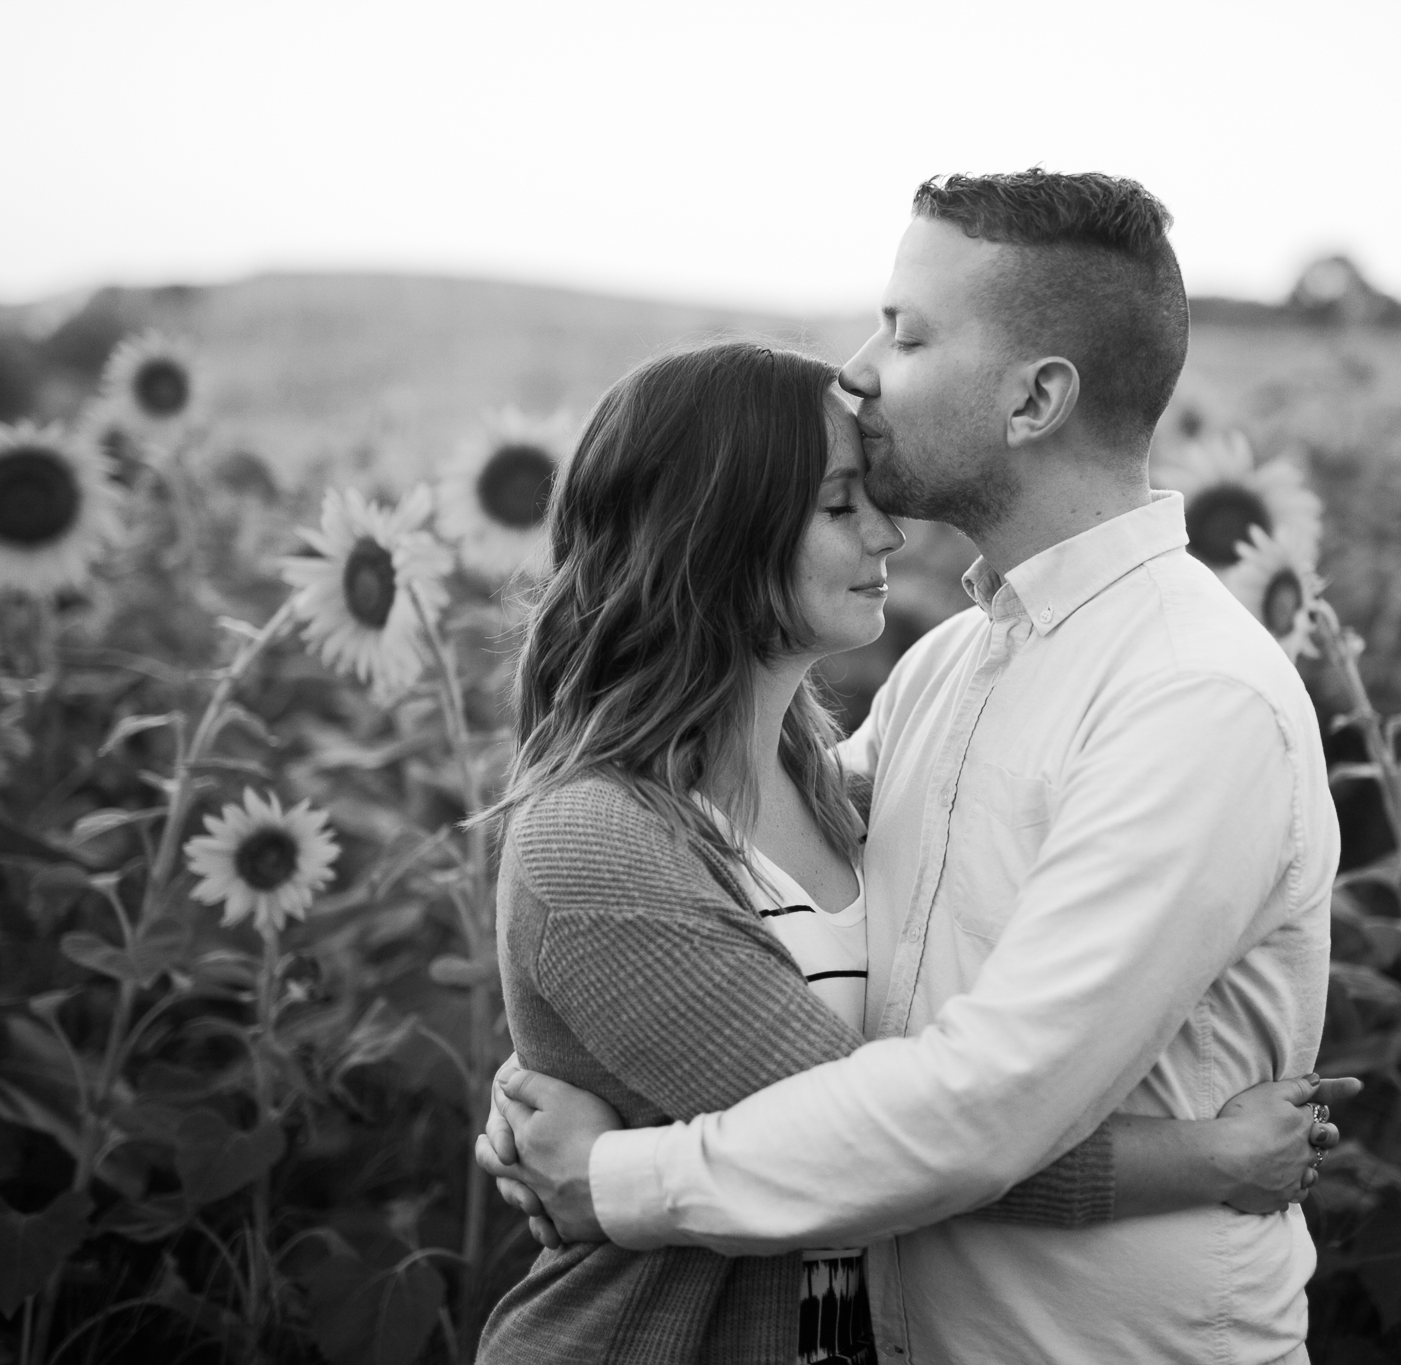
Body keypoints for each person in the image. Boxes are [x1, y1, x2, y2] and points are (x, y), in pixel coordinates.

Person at [483, 171, 1343, 1365]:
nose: (862, 367)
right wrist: (563, 1060)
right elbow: (720, 924)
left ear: (1035, 397)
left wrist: (613, 1173)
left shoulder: (1184, 696)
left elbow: (973, 1113)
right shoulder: (954, 665)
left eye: (909, 331)